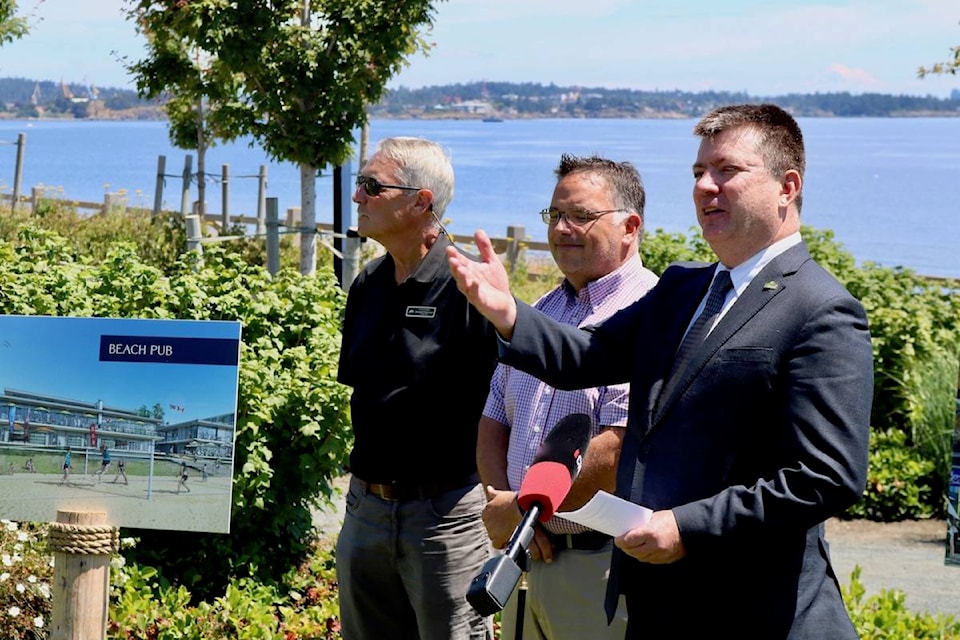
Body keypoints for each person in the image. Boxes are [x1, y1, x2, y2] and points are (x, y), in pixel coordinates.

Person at [447, 103, 873, 638]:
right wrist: (507, 313)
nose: (705, 187)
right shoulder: (681, 288)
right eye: (698, 172)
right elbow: (585, 357)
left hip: (757, 611)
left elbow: (827, 476)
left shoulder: (821, 309)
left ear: (787, 187)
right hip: (656, 605)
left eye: (727, 170)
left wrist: (687, 526)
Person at [478, 154, 658, 640]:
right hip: (525, 554)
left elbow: (618, 448)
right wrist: (505, 503)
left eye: (581, 216)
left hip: (598, 567)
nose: (562, 228)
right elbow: (494, 418)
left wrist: (522, 510)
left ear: (630, 226)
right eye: (555, 215)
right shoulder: (542, 309)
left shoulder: (651, 313)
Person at [336, 136, 499, 640]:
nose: (357, 197)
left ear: (420, 201)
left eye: (370, 185)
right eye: (358, 184)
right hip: (364, 511)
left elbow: (505, 405)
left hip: (444, 520)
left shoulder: (470, 288)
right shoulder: (367, 284)